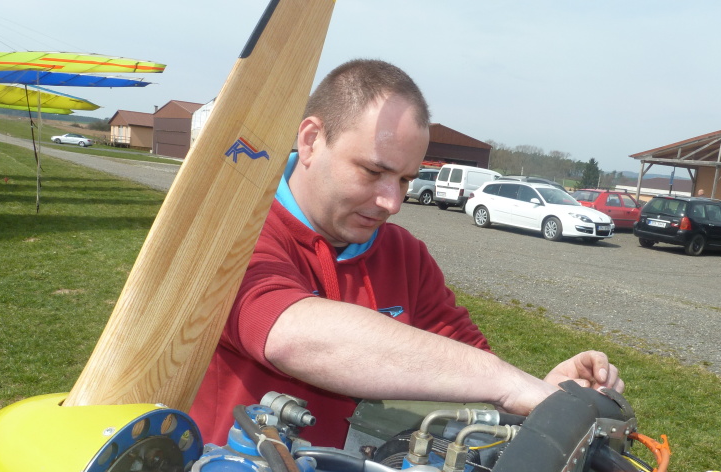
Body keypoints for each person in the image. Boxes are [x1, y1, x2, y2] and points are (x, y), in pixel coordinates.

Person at [190, 59, 623, 448]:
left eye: (404, 180)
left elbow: (468, 362)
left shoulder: (404, 255)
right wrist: (504, 381)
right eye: (373, 171)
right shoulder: (232, 233)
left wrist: (539, 389)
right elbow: (288, 334)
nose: (392, 203)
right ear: (310, 141)